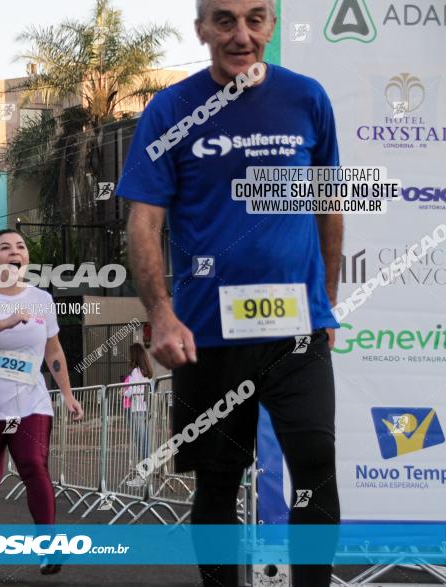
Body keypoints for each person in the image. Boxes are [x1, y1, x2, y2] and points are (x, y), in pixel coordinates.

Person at [116, 1, 342, 585]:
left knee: (316, 467)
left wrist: (329, 302)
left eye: (255, 18)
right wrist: (161, 314)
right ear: (202, 30)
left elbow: (329, 204)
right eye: (224, 20)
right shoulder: (170, 109)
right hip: (205, 334)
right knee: (218, 478)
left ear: (271, 25)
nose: (241, 34)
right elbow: (144, 222)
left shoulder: (308, 98)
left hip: (297, 330)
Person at [0, 229, 84, 582]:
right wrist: (6, 321)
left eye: (21, 247)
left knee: (33, 466)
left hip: (31, 402)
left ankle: (48, 547)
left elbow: (53, 351)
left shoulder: (42, 300)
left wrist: (69, 394)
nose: (15, 252)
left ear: (26, 258)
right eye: (5, 247)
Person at [123, 344, 153, 488]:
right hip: (143, 409)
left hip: (136, 410)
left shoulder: (136, 371)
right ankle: (144, 475)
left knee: (142, 444)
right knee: (144, 443)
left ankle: (143, 477)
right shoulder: (145, 372)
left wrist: (124, 392)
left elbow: (133, 390)